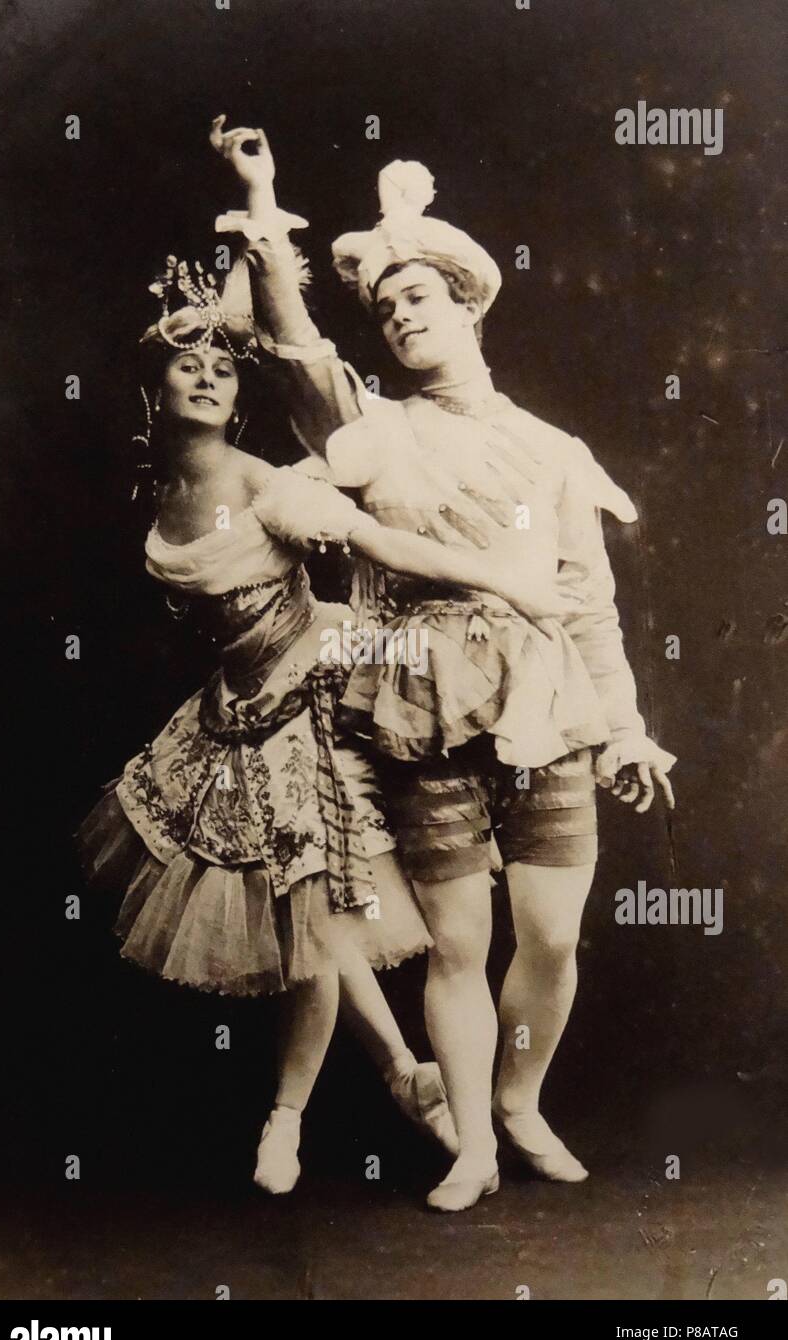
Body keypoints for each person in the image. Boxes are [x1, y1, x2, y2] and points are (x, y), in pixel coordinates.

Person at [209, 120, 676, 1211]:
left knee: (552, 933)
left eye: (419, 296)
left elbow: (589, 604)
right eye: (385, 306)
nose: (401, 315)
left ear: (468, 305)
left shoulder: (555, 452)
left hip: (546, 702)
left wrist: (627, 722)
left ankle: (518, 1100)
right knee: (457, 941)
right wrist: (265, 205)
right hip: (418, 703)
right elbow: (297, 358)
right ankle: (471, 1143)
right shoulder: (376, 432)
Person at [76, 246, 563, 1198]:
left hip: (326, 687)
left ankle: (297, 1114)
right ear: (153, 388)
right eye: (190, 366)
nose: (212, 378)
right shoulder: (164, 488)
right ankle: (394, 1077)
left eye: (225, 368)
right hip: (234, 713)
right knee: (308, 924)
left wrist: (508, 580)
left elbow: (378, 540)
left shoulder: (266, 482)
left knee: (318, 914)